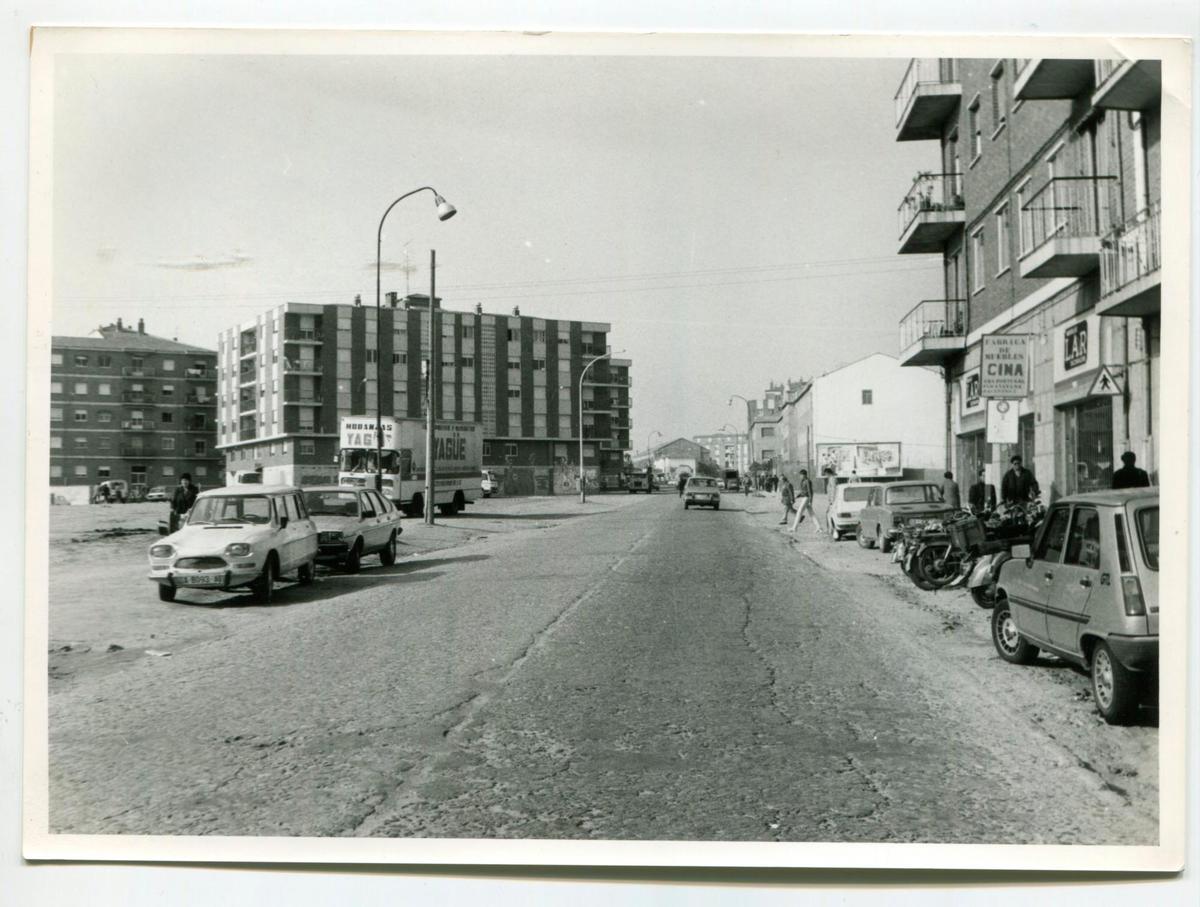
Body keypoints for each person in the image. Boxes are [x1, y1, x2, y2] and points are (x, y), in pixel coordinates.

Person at [789, 469, 824, 535]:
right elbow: (802, 491)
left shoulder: (808, 481)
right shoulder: (803, 481)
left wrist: (811, 501)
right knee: (812, 514)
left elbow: (810, 491)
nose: (800, 476)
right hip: (804, 497)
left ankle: (794, 528)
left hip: (807, 498)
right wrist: (797, 496)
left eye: (801, 475)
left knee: (799, 512)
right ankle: (819, 528)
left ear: (804, 475)